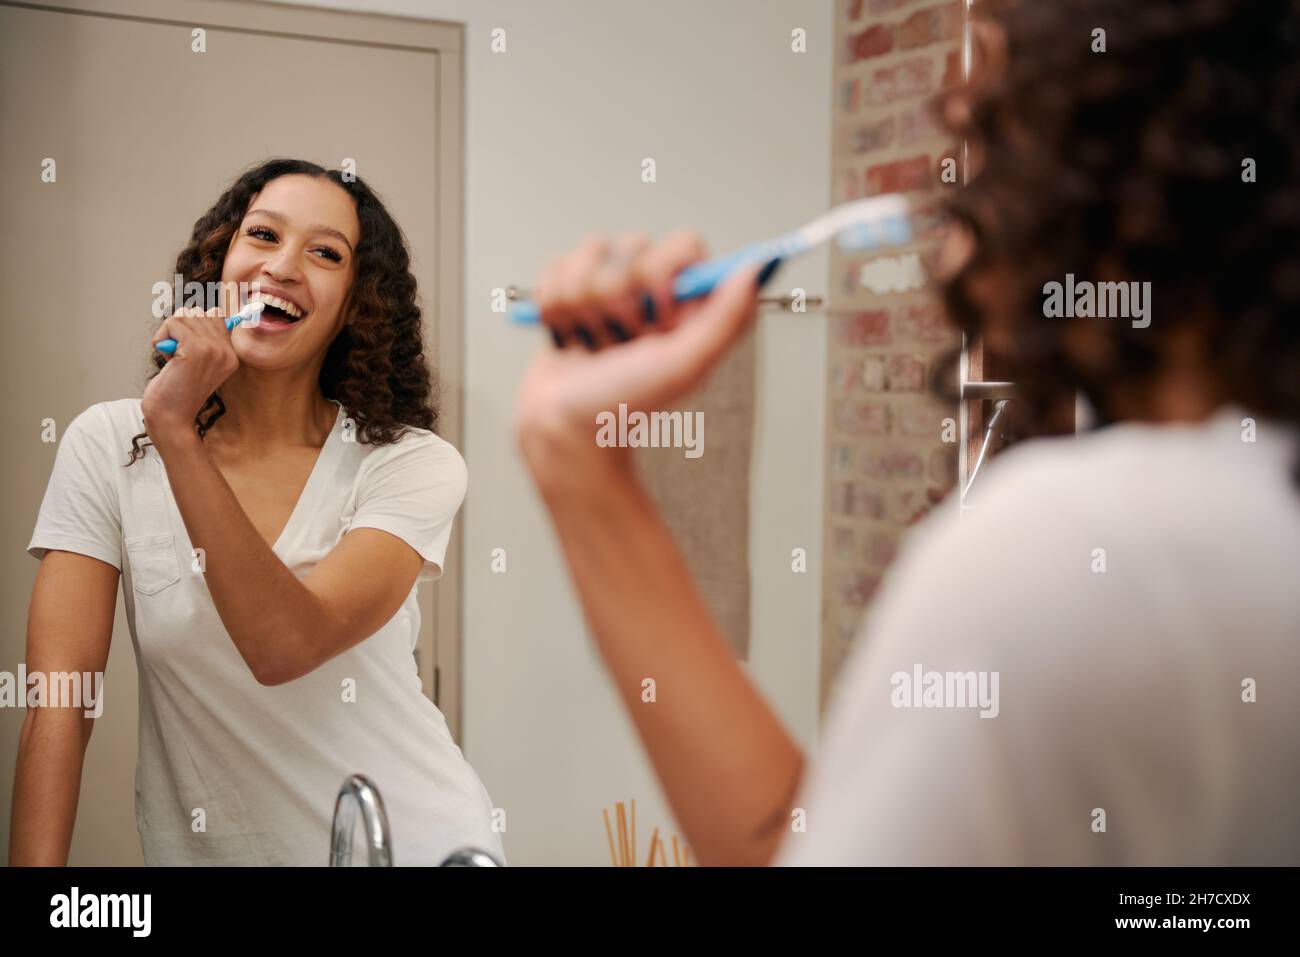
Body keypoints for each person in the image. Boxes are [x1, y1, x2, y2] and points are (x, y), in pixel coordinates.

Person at [513, 0, 1300, 865]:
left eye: (982, 148)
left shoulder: (1083, 546)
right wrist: (575, 461)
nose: (945, 223)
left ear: (1116, 180)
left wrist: (572, 457)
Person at [12, 159, 502, 866]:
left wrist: (177, 432)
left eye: (324, 253)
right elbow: (60, 702)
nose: (282, 266)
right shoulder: (107, 444)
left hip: (409, 846)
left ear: (355, 305)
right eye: (263, 235)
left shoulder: (408, 463)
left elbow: (283, 645)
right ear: (222, 262)